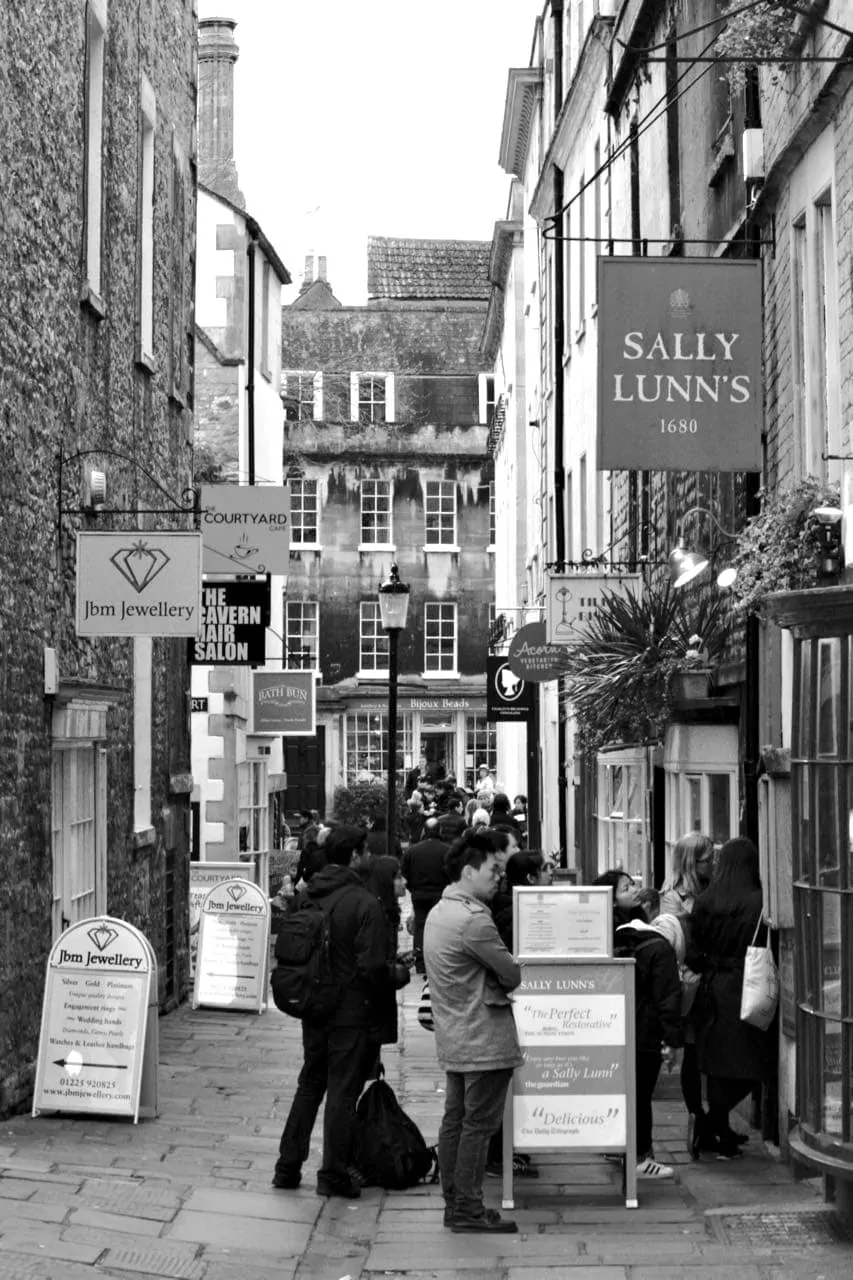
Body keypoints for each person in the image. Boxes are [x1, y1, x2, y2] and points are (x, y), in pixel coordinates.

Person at [273, 825, 406, 1199]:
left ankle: (287, 1166)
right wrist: (396, 974)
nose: (368, 858)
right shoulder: (363, 903)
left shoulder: (310, 896)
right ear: (353, 856)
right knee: (342, 1092)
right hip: (350, 1012)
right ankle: (332, 1172)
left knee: (310, 1083)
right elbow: (371, 968)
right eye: (364, 852)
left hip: (314, 1007)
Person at [424, 829, 523, 1233]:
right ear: (468, 871)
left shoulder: (439, 912)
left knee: (456, 1120)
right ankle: (467, 1206)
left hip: (456, 1032)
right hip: (483, 1036)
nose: (498, 876)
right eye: (492, 870)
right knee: (478, 1126)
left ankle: (455, 1201)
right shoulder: (473, 921)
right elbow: (512, 972)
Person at [688, 837, 772, 1159]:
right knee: (753, 1065)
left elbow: (694, 953)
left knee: (718, 1065)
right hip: (746, 985)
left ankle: (717, 1130)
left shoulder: (706, 899)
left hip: (712, 987)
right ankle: (710, 1126)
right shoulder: (759, 901)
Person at [485, 850, 554, 1179]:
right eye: (546, 870)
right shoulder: (519, 914)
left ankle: (508, 1149)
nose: (551, 875)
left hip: (516, 1004)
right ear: (530, 878)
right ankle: (500, 1154)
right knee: (509, 1081)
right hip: (518, 1004)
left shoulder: (506, 909)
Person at [657, 832, 716, 1157]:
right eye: (708, 858)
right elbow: (682, 945)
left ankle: (713, 1120)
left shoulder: (711, 888)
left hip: (711, 978)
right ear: (693, 862)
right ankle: (698, 1117)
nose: (714, 863)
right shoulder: (672, 897)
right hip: (690, 983)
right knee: (692, 1053)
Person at [614, 902, 683, 1180]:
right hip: (645, 1035)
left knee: (626, 1096)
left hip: (614, 1031)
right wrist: (672, 1042)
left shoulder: (619, 942)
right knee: (642, 1096)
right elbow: (668, 999)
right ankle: (641, 1158)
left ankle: (625, 1150)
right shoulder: (661, 950)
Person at [401, 818, 449, 974]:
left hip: (419, 894)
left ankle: (420, 961)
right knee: (441, 926)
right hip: (440, 894)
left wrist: (413, 888)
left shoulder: (412, 851)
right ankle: (439, 960)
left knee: (421, 926)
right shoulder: (446, 850)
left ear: (424, 831)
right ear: (439, 831)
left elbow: (404, 875)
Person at [660, 832, 715, 918]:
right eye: (708, 860)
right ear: (691, 863)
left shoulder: (713, 885)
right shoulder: (672, 898)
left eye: (714, 858)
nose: (714, 863)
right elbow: (674, 929)